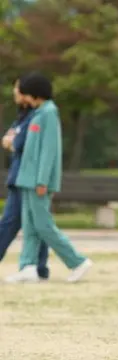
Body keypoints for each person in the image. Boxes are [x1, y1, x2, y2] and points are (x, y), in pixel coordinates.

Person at [3, 72, 92, 283]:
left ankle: (77, 261)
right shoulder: (38, 113)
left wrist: (42, 180)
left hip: (37, 181)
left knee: (43, 225)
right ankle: (28, 266)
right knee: (30, 226)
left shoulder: (49, 113)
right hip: (26, 179)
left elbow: (48, 152)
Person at [0, 76, 50, 281]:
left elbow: (18, 142)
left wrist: (12, 142)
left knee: (13, 221)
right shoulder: (24, 115)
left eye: (18, 89)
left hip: (26, 177)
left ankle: (40, 267)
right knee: (37, 223)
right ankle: (39, 268)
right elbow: (9, 139)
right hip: (19, 175)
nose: (15, 93)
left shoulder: (38, 115)